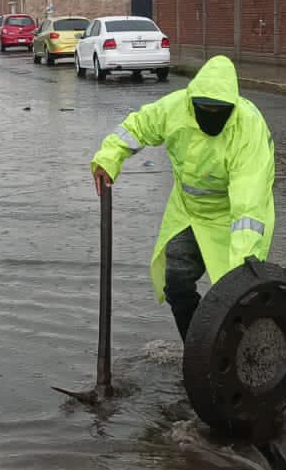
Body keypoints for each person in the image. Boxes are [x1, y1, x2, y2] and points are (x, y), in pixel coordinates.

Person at [91, 55, 276, 340]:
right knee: (176, 282)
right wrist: (108, 158)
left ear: (232, 106)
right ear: (193, 102)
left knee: (237, 295)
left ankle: (244, 350)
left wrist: (241, 270)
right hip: (188, 212)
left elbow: (248, 204)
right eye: (204, 108)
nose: (210, 115)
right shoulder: (176, 108)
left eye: (219, 111)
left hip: (232, 219)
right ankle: (198, 350)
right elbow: (136, 127)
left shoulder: (247, 129)